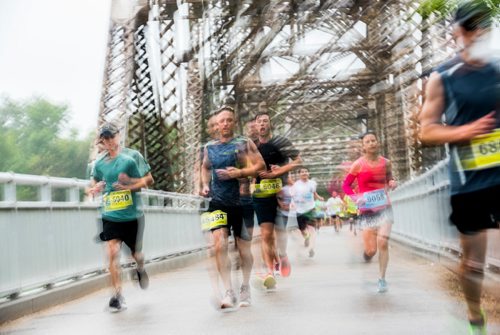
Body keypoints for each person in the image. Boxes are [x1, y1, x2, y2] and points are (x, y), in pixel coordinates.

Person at [419, 2, 498, 333]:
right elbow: (426, 130)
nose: (478, 32)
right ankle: (474, 314)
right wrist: (466, 131)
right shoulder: (443, 76)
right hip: (470, 183)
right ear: (458, 32)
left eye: (484, 25)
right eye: (471, 26)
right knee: (474, 263)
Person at [201, 106, 265, 309]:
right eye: (222, 121)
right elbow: (205, 166)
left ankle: (245, 286)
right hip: (217, 203)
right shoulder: (209, 147)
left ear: (234, 122)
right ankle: (229, 290)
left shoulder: (244, 143)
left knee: (243, 249)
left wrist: (238, 173)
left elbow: (260, 166)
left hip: (242, 201)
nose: (225, 123)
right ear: (217, 125)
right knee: (219, 244)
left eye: (229, 120)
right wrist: (204, 185)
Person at [88, 122, 154, 312]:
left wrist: (129, 186)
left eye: (111, 137)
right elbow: (96, 179)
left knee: (136, 254)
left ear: (119, 135)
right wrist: (96, 186)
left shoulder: (133, 157)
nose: (108, 141)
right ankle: (117, 295)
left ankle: (140, 267)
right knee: (112, 252)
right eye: (104, 138)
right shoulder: (100, 162)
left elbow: (148, 180)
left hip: (132, 215)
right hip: (110, 214)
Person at [342, 132, 396, 293]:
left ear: (378, 143)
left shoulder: (386, 163)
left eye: (374, 140)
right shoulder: (358, 165)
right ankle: (366, 255)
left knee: (383, 242)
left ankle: (382, 279)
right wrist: (355, 197)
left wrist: (392, 182)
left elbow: (389, 178)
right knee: (371, 250)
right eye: (368, 141)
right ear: (363, 146)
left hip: (385, 207)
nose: (372, 143)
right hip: (367, 210)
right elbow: (346, 186)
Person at [253, 112, 302, 287]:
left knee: (280, 231)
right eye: (259, 122)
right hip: (261, 193)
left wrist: (280, 171)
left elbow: (298, 160)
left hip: (281, 191)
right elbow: (246, 167)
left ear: (270, 124)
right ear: (255, 125)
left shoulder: (281, 142)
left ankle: (282, 255)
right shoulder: (252, 146)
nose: (262, 124)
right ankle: (269, 271)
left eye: (265, 121)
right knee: (266, 234)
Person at [291, 167, 323, 258]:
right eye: (302, 172)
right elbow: (292, 196)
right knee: (302, 230)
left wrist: (319, 197)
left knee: (312, 228)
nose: (304, 173)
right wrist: (292, 205)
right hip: (299, 210)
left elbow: (314, 193)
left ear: (308, 173)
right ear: (299, 174)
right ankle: (307, 237)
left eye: (306, 171)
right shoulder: (296, 185)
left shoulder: (313, 184)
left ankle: (311, 247)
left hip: (310, 209)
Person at [275, 174, 295, 277]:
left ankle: (282, 255)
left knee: (281, 233)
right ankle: (275, 262)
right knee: (268, 235)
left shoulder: (284, 174)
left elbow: (294, 190)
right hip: (264, 201)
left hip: (282, 209)